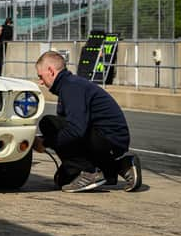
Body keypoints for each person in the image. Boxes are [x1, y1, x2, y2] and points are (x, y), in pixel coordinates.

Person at [33, 51, 142, 193]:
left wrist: (46, 143)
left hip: (109, 140)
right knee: (63, 179)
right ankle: (121, 165)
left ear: (51, 71)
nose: (40, 81)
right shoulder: (70, 85)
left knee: (48, 124)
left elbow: (75, 130)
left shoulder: (71, 87)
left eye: (40, 76)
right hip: (108, 141)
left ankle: (89, 172)